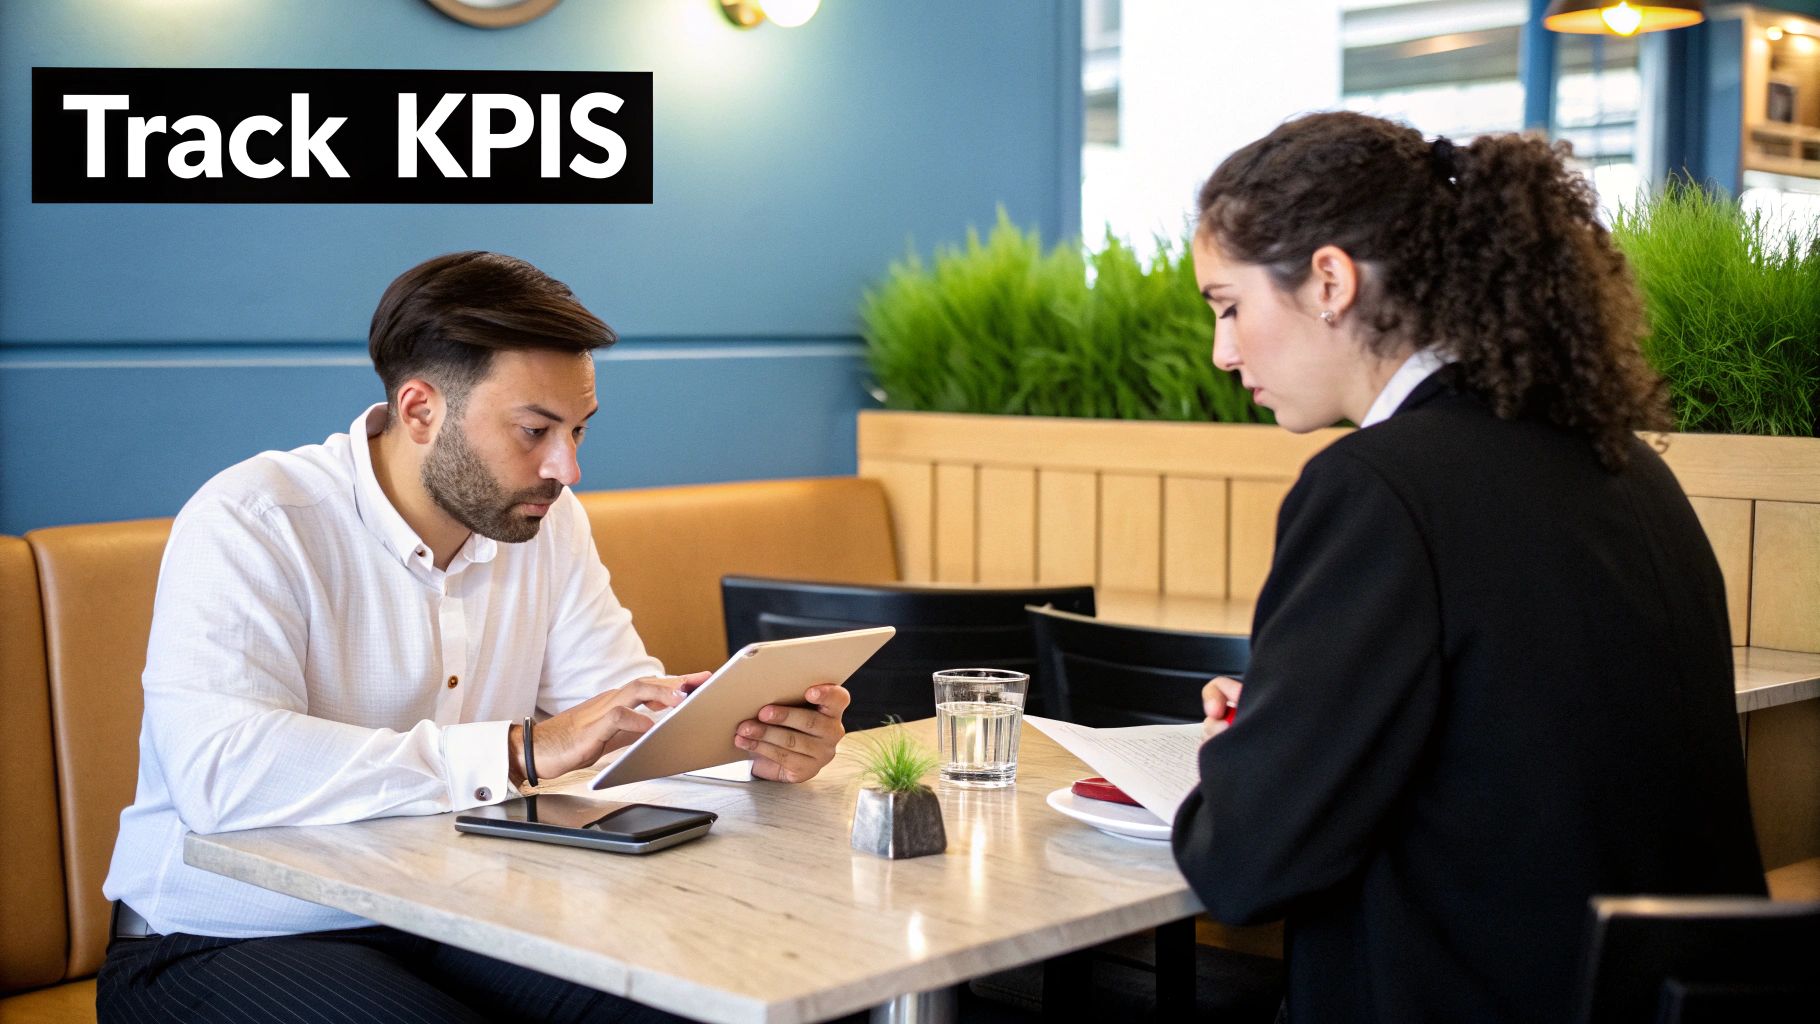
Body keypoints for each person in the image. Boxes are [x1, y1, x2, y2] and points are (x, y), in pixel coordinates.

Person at [97, 251, 853, 1023]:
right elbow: (224, 775)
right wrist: (522, 749)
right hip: (221, 937)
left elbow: (625, 724)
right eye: (535, 430)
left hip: (464, 919)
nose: (568, 468)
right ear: (421, 409)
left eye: (579, 431)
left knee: (738, 1005)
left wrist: (747, 743)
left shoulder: (548, 521)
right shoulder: (256, 519)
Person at [1170, 112, 1766, 1024]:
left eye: (1229, 305)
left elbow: (1249, 864)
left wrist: (1233, 764)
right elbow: (1507, 742)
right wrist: (1293, 723)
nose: (1224, 350)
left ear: (1330, 280)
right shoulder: (1626, 464)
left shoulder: (1377, 488)